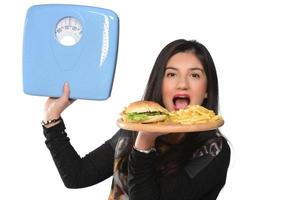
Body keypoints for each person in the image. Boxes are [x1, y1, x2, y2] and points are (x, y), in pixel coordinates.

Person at [42, 39, 231, 200]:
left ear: (207, 89)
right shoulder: (134, 129)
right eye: (171, 74)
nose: (182, 84)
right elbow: (77, 176)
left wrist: (143, 146)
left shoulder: (214, 149)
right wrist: (52, 118)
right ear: (160, 83)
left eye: (195, 75)